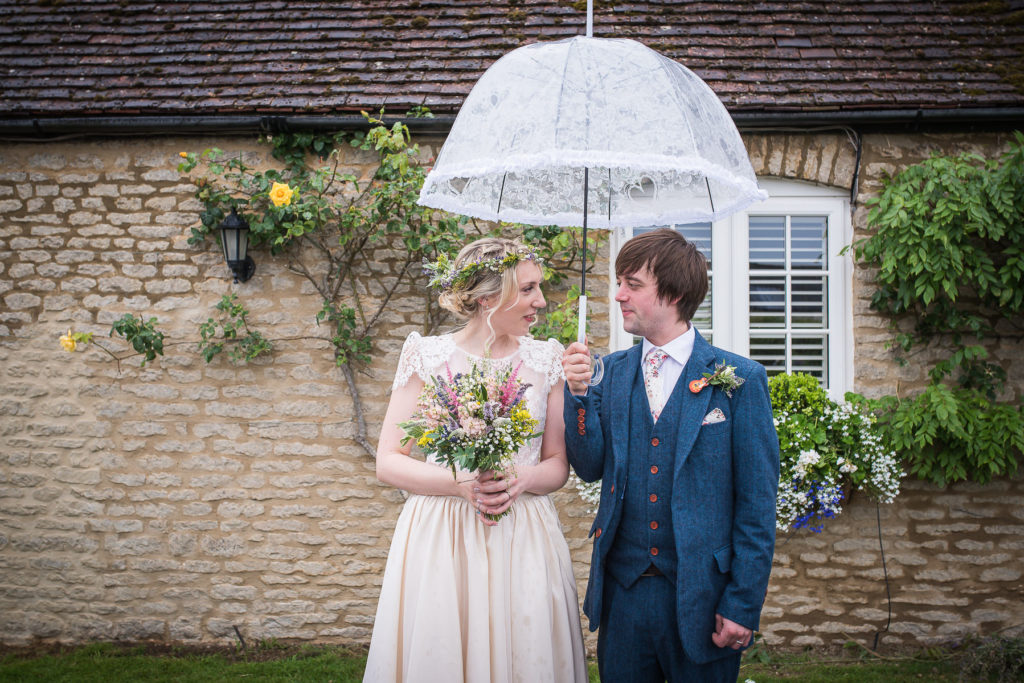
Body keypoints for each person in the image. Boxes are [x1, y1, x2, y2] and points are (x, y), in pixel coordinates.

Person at [364, 237, 587, 683]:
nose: (540, 301)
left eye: (538, 288)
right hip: (442, 533)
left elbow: (558, 465)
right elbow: (388, 460)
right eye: (527, 290)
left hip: (523, 532)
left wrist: (519, 479)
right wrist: (460, 483)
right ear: (488, 297)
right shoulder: (427, 356)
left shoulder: (548, 360)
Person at [562, 228, 779, 683]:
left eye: (633, 285)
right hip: (623, 594)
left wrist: (742, 604)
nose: (619, 295)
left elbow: (757, 506)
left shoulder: (740, 379)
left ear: (675, 293)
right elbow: (588, 466)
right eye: (619, 282)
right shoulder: (610, 373)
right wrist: (579, 395)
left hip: (704, 594)